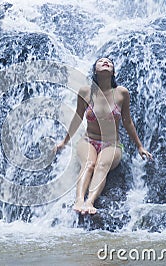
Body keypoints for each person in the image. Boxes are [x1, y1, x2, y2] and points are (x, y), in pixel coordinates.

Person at [55, 57, 152, 215]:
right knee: (88, 164)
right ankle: (79, 200)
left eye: (109, 62)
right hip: (88, 140)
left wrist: (140, 147)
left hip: (112, 144)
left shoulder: (121, 93)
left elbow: (128, 122)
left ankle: (89, 202)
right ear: (94, 70)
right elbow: (78, 117)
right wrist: (64, 142)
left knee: (101, 166)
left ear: (114, 72)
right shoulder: (85, 91)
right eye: (101, 61)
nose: (106, 62)